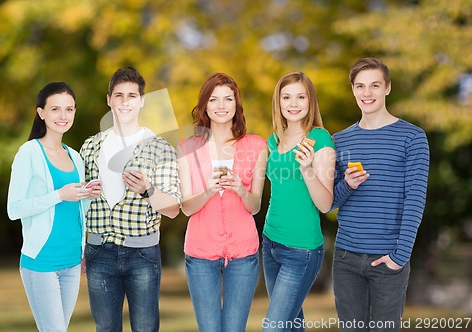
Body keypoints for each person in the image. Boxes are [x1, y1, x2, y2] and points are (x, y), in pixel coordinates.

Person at [331, 57, 430, 332]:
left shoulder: (412, 137)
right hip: (346, 258)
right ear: (353, 90)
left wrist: (400, 256)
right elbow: (330, 204)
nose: (367, 93)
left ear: (387, 88)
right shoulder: (340, 140)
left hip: (388, 258)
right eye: (360, 86)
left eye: (374, 85)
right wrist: (347, 186)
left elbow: (415, 198)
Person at [80, 67, 181, 332]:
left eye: (132, 96)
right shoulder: (90, 146)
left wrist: (148, 190)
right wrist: (81, 246)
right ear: (109, 100)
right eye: (119, 95)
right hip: (99, 252)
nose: (125, 102)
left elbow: (173, 209)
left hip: (142, 255)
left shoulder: (160, 147)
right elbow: (81, 205)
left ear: (142, 100)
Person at [177, 73, 268, 332]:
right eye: (214, 99)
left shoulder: (257, 146)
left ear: (236, 104)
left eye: (228, 99)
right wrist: (207, 191)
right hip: (200, 253)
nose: (221, 105)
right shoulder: (187, 148)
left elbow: (255, 206)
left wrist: (240, 189)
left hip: (243, 253)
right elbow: (187, 207)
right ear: (204, 105)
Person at [7, 82, 99, 331]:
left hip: (71, 261)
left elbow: (76, 210)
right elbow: (14, 209)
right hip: (41, 262)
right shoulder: (29, 152)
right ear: (41, 112)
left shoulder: (75, 157)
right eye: (56, 109)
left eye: (69, 109)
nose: (63, 116)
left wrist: (89, 194)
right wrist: (58, 195)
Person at [262, 72, 336, 332]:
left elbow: (326, 204)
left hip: (301, 251)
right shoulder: (274, 139)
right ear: (278, 102)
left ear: (310, 101)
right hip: (270, 243)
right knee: (291, 326)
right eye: (287, 97)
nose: (293, 103)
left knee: (273, 327)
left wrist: (307, 169)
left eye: (300, 96)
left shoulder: (320, 139)